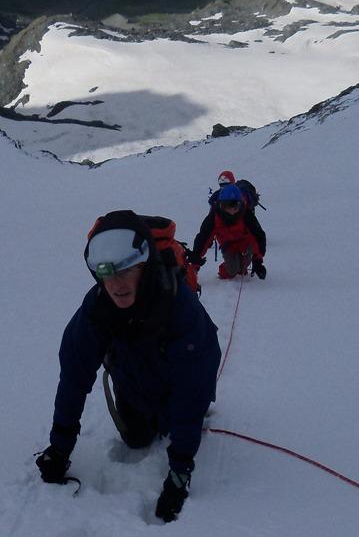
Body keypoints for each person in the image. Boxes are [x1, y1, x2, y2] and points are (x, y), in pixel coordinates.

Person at [36, 210, 222, 522]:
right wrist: (60, 448)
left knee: (180, 420)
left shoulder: (179, 308)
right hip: (133, 382)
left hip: (179, 383)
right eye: (107, 274)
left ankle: (170, 422)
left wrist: (180, 471)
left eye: (127, 270)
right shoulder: (95, 311)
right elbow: (74, 379)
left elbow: (192, 388)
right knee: (136, 439)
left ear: (145, 267)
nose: (116, 285)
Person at [190, 184, 267, 279]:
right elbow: (203, 238)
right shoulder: (214, 217)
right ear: (222, 205)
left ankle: (242, 264)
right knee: (232, 271)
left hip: (245, 244)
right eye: (228, 206)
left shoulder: (246, 215)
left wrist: (257, 261)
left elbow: (258, 236)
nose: (232, 211)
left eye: (236, 206)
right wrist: (196, 260)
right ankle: (229, 267)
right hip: (228, 245)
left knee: (242, 269)